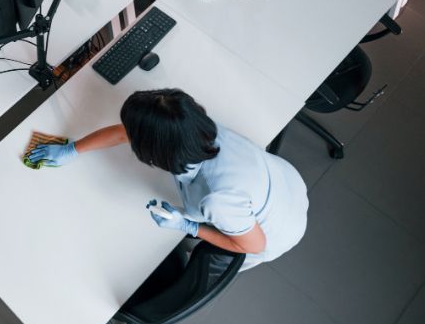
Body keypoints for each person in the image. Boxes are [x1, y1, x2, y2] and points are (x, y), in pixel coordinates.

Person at [28, 88, 308, 270]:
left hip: (273, 231)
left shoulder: (218, 199)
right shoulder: (196, 130)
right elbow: (126, 133)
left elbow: (253, 245)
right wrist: (73, 149)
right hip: (285, 181)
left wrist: (189, 227)